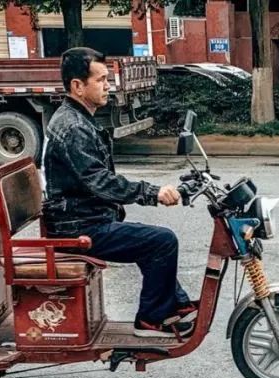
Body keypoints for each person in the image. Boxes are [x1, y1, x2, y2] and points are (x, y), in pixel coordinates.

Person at [41, 47, 197, 338]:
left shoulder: (79, 119)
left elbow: (100, 179)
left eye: (106, 79)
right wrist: (151, 193)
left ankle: (175, 304)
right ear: (77, 86)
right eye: (100, 80)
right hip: (79, 229)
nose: (107, 86)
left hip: (83, 219)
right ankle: (151, 320)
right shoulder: (73, 127)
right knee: (162, 241)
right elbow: (100, 181)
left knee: (150, 242)